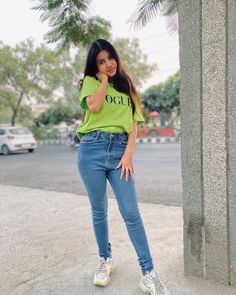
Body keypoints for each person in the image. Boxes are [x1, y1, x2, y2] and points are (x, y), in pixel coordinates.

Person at [76, 39, 170, 295]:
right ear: (95, 66)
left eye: (110, 58)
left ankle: (148, 273)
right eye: (101, 62)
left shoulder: (128, 85)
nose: (108, 64)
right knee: (99, 210)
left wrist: (128, 154)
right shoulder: (91, 83)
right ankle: (105, 259)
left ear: (116, 56)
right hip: (91, 149)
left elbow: (134, 123)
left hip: (120, 151)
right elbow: (94, 107)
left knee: (131, 212)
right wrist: (102, 80)